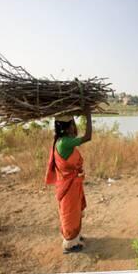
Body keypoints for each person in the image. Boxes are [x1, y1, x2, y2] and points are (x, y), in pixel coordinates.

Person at [45, 106, 92, 254]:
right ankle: (70, 244)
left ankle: (75, 237)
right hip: (69, 185)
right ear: (67, 127)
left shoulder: (62, 139)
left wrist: (73, 118)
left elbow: (77, 133)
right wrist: (88, 115)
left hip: (71, 183)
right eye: (72, 124)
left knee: (74, 211)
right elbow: (88, 137)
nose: (74, 126)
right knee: (70, 212)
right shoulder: (65, 142)